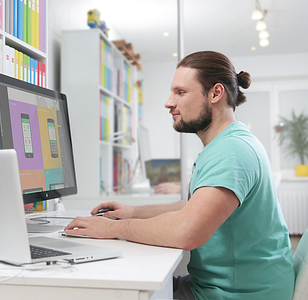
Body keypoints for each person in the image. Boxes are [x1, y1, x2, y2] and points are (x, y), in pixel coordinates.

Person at [64, 51, 295, 300]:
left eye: (180, 92)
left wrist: (114, 229)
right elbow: (193, 207)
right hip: (227, 286)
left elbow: (187, 231)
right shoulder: (226, 143)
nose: (169, 102)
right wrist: (133, 212)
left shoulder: (232, 150)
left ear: (216, 93)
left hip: (237, 295)